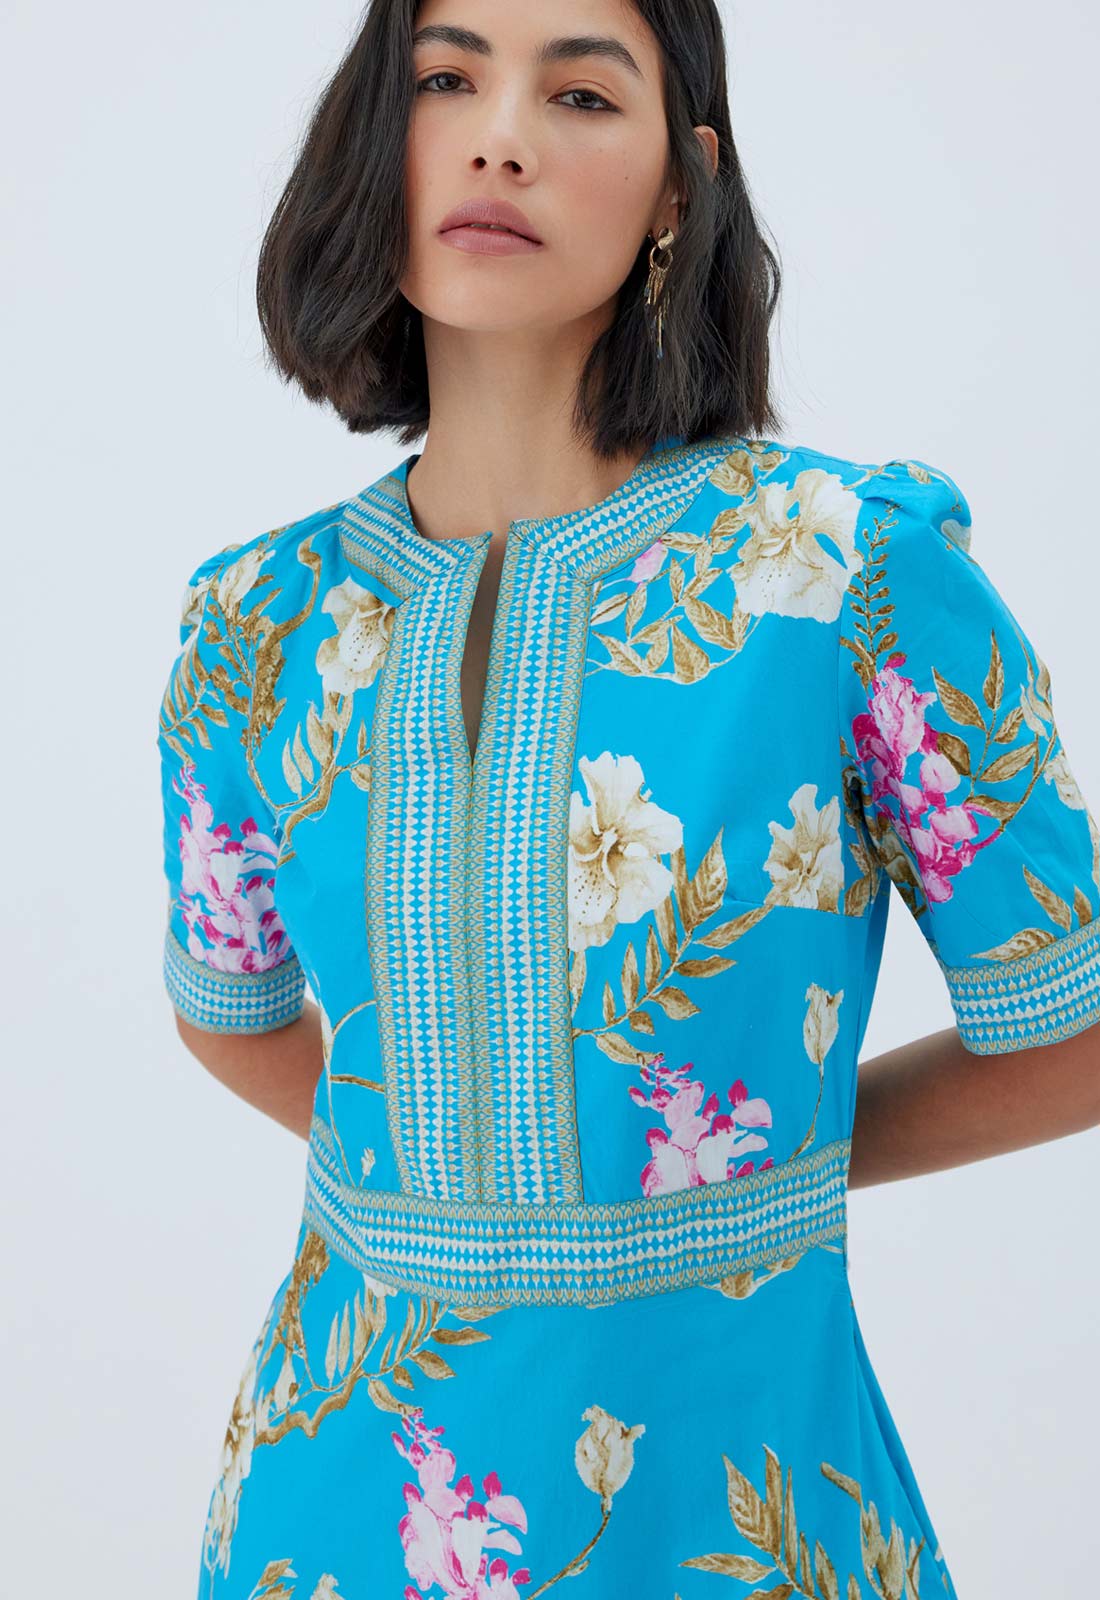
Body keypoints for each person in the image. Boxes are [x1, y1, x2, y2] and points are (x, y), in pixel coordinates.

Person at [156, 2, 1100, 1596]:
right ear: (369, 141)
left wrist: (744, 1160)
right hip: (328, 1511)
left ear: (680, 190)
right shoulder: (251, 627)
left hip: (732, 1505)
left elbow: (1072, 1022)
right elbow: (228, 1007)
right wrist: (444, 1171)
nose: (500, 133)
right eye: (445, 79)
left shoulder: (844, 573)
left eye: (582, 92)